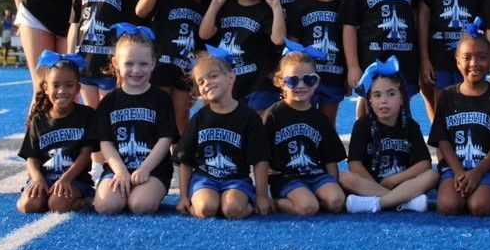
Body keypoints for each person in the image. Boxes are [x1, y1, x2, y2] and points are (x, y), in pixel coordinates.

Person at [428, 30, 490, 217]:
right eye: (467, 57)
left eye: (482, 57)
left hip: (488, 168)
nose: (474, 64)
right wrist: (459, 171)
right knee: (448, 206)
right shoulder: (446, 96)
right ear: (457, 61)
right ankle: (463, 186)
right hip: (455, 168)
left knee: (479, 207)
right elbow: (442, 139)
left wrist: (477, 172)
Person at [175, 49, 271, 219]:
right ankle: (202, 202)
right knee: (206, 208)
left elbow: (260, 160)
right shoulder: (199, 118)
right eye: (201, 81)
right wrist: (183, 196)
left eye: (213, 76)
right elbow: (185, 159)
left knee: (233, 209)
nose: (207, 83)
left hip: (236, 179)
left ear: (231, 78)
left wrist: (262, 196)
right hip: (205, 178)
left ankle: (243, 205)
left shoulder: (249, 118)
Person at [92, 26, 176, 215]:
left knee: (140, 205)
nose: (136, 70)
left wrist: (145, 168)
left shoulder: (161, 99)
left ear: (153, 63)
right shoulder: (109, 102)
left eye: (143, 64)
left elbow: (166, 139)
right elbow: (105, 142)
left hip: (153, 169)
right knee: (106, 206)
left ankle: (144, 192)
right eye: (129, 64)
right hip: (119, 167)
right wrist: (120, 171)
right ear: (116, 63)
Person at [342, 58, 439, 213]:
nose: (384, 101)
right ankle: (403, 202)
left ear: (401, 99)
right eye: (377, 95)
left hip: (402, 184)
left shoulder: (410, 125)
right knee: (345, 178)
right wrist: (377, 185)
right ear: (370, 101)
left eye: (391, 94)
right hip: (370, 184)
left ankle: (376, 204)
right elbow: (355, 165)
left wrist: (393, 180)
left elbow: (424, 165)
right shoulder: (362, 125)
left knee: (432, 175)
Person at [135, 0, 214, 133]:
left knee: (181, 118)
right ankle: (156, 156)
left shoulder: (209, 3)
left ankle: (179, 157)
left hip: (186, 68)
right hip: (162, 62)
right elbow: (141, 11)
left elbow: (206, 40)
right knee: (158, 113)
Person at [199, 0, 286, 111]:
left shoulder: (265, 10)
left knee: (259, 131)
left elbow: (278, 39)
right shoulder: (225, 7)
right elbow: (204, 34)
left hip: (259, 85)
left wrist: (276, 7)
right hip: (230, 84)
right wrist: (215, 4)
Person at [263, 49, 347, 216]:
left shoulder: (320, 118)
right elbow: (262, 157)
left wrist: (333, 183)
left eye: (308, 80)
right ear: (281, 81)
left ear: (316, 82)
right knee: (308, 207)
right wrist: (263, 194)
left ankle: (314, 198)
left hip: (317, 174)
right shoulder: (273, 115)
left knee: (336, 201)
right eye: (292, 81)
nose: (301, 86)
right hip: (287, 177)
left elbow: (330, 159)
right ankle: (279, 203)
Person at [16, 51, 95, 214]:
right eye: (56, 85)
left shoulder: (87, 115)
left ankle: (83, 201)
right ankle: (45, 195)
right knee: (27, 206)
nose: (62, 91)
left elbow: (85, 155)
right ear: (46, 88)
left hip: (74, 180)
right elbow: (31, 157)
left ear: (78, 88)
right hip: (44, 178)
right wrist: (37, 179)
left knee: (57, 204)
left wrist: (66, 179)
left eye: (69, 85)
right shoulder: (38, 119)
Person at [285, 0, 346, 124]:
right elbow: (293, 42)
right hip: (305, 78)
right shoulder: (299, 4)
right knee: (302, 121)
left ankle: (327, 155)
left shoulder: (342, 5)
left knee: (328, 125)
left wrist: (347, 74)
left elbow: (346, 42)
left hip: (334, 74)